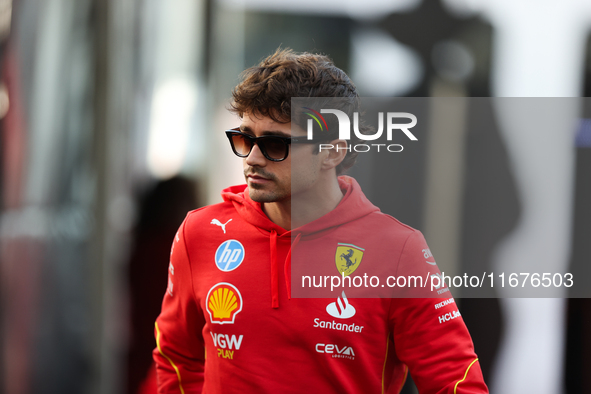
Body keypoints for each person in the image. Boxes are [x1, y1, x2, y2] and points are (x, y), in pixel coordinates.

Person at [153, 48, 488, 393]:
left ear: (332, 152)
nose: (252, 158)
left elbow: (455, 379)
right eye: (244, 138)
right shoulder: (200, 232)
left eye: (274, 144)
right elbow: (176, 357)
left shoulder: (397, 250)